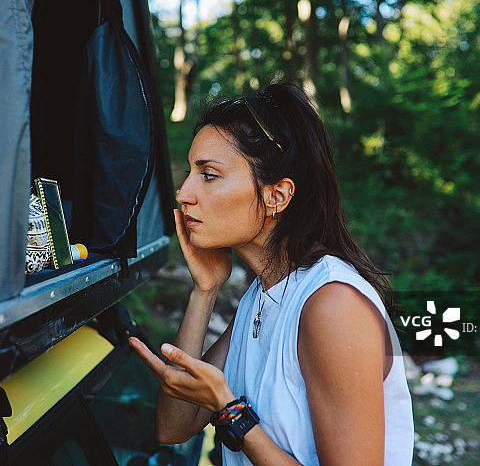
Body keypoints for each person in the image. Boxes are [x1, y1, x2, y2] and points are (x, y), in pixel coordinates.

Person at [129, 82, 414, 465]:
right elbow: (174, 426)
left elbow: (212, 410)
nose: (183, 193)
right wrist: (205, 290)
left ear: (276, 196)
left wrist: (230, 410)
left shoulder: (332, 305)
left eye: (209, 175)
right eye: (190, 173)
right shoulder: (261, 296)